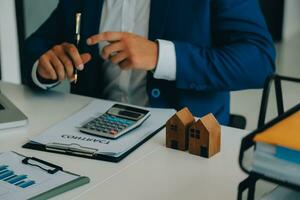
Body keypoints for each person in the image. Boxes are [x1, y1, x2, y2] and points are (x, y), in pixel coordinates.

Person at [23, 0, 276, 125]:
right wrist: (44, 66)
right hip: (92, 134)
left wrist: (160, 56)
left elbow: (259, 61)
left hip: (182, 141)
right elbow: (35, 46)